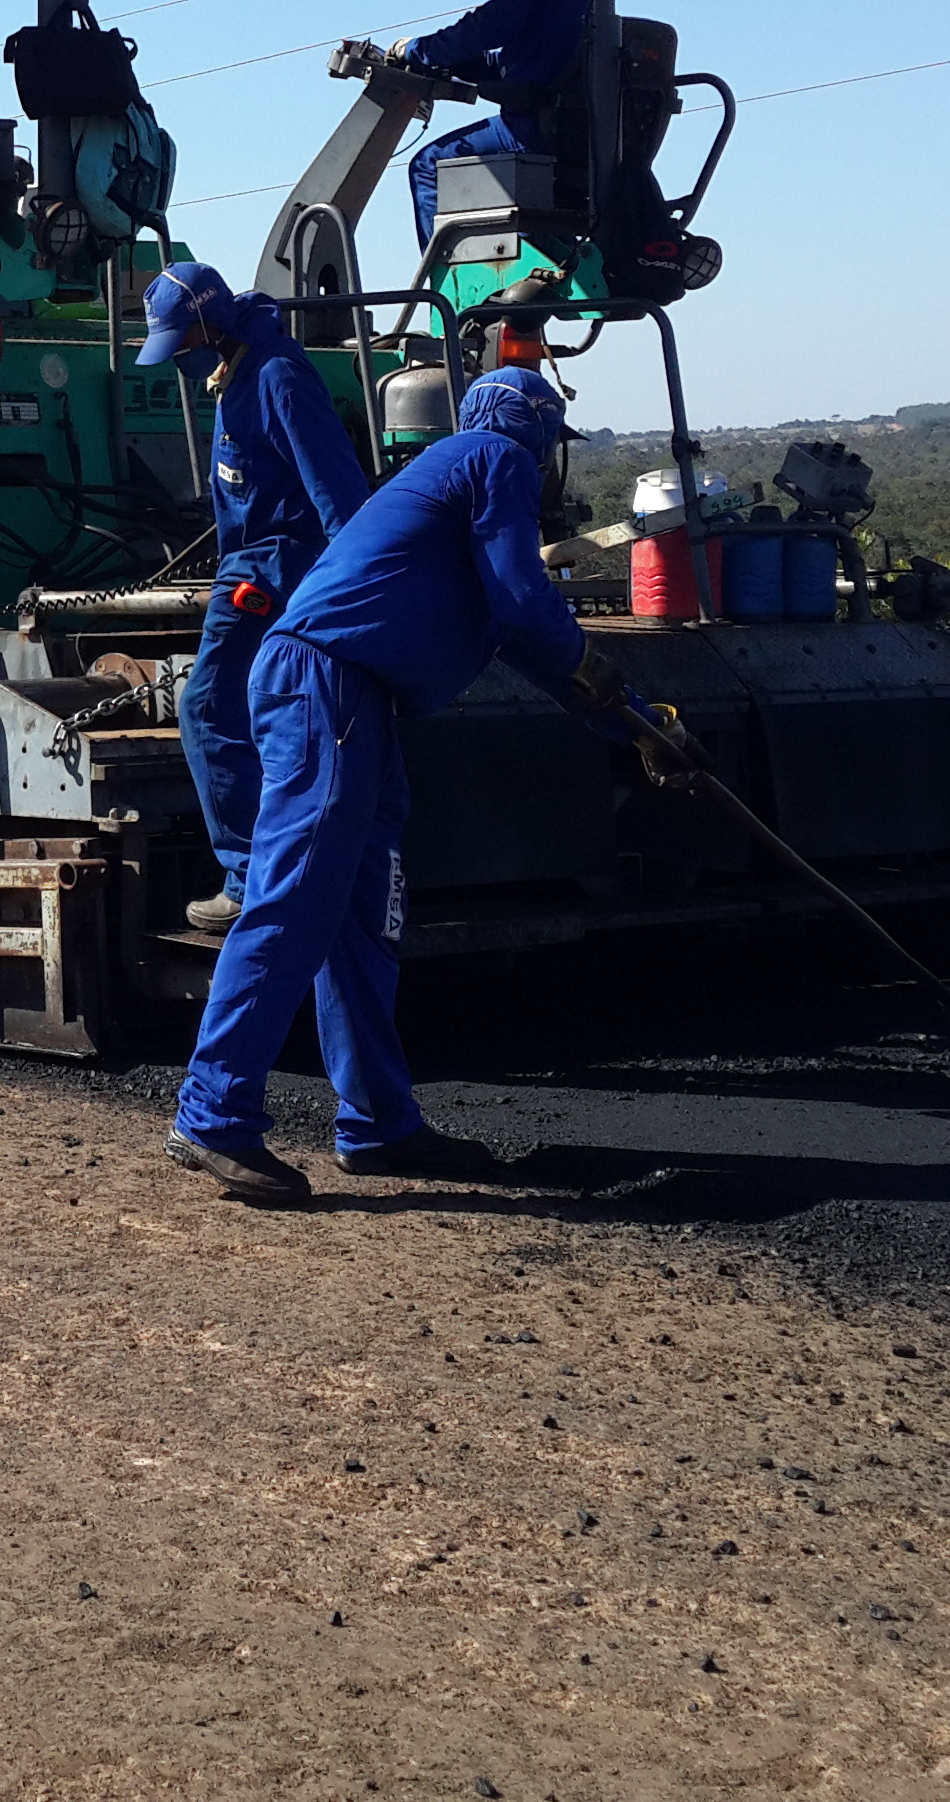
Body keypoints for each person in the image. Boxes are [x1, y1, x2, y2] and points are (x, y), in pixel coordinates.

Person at [164, 366, 687, 1198]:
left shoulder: (465, 496)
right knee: (295, 898)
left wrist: (634, 725)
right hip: (324, 685)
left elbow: (524, 638)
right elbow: (526, 603)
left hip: (358, 699)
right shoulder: (493, 457)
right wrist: (614, 688)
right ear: (539, 431)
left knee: (365, 914)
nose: (553, 458)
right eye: (555, 440)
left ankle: (378, 1124)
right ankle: (213, 1113)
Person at [137, 261, 372, 934]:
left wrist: (349, 592)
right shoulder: (237, 368)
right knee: (260, 717)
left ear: (209, 328)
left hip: (270, 568)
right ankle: (278, 866)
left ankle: (247, 879)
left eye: (181, 342)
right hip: (247, 559)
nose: (177, 357)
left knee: (208, 708)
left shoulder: (277, 377)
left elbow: (337, 494)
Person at [400, 0, 591, 247]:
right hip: (583, 143)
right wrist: (465, 64)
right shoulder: (593, 2)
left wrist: (414, 49)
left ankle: (440, 280)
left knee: (428, 165)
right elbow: (517, 62)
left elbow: (476, 32)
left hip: (532, 131)